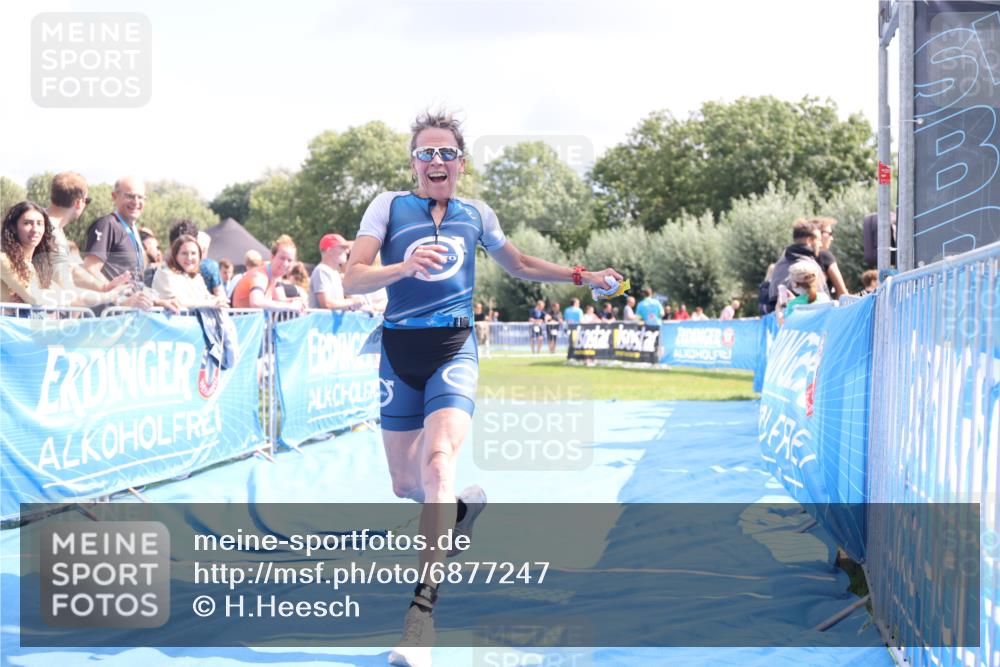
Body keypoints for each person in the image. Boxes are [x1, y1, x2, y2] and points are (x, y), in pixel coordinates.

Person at [341, 110, 621, 666]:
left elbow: (517, 263)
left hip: (454, 348)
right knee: (406, 483)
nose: (437, 161)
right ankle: (460, 513)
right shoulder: (388, 207)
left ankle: (420, 618)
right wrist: (402, 266)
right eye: (427, 153)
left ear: (461, 164)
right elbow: (352, 278)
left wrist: (580, 276)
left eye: (447, 153)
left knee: (439, 462)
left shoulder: (477, 214)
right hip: (399, 352)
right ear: (413, 163)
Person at [1, 201, 128, 309]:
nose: (35, 229)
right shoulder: (4, 260)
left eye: (40, 223)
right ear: (13, 227)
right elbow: (37, 299)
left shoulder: (38, 266)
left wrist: (107, 293)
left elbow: (66, 295)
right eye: (27, 223)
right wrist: (108, 296)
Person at [45, 171, 132, 298]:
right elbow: (66, 287)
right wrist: (110, 296)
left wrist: (104, 287)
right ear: (79, 202)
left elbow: (71, 268)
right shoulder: (49, 231)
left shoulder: (44, 224)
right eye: (88, 200)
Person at [231, 235, 307, 312]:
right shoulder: (259, 275)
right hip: (242, 322)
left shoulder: (276, 277)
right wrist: (290, 306)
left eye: (290, 260)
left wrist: (297, 300)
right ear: (272, 257)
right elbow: (256, 302)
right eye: (282, 258)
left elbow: (280, 301)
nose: (285, 264)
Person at [151, 235, 229, 308]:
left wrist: (219, 300)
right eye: (184, 253)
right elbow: (178, 302)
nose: (189, 257)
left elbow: (205, 297)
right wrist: (211, 303)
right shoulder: (165, 273)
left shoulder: (196, 277)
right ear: (175, 255)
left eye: (193, 253)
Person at [767, 218, 828, 311]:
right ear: (809, 240)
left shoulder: (780, 263)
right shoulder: (810, 266)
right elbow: (823, 303)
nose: (820, 244)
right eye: (818, 240)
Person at [310, 233, 363, 310]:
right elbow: (326, 304)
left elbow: (337, 304)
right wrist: (353, 301)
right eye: (343, 247)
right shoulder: (321, 271)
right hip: (321, 321)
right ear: (329, 250)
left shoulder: (334, 273)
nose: (347, 251)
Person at [813, 217, 849, 300]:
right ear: (817, 233)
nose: (831, 238)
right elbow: (843, 294)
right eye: (829, 233)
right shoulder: (825, 256)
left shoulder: (795, 255)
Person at [197, 231, 225, 299]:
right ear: (204, 249)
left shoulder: (184, 265)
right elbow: (218, 292)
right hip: (208, 306)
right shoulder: (211, 265)